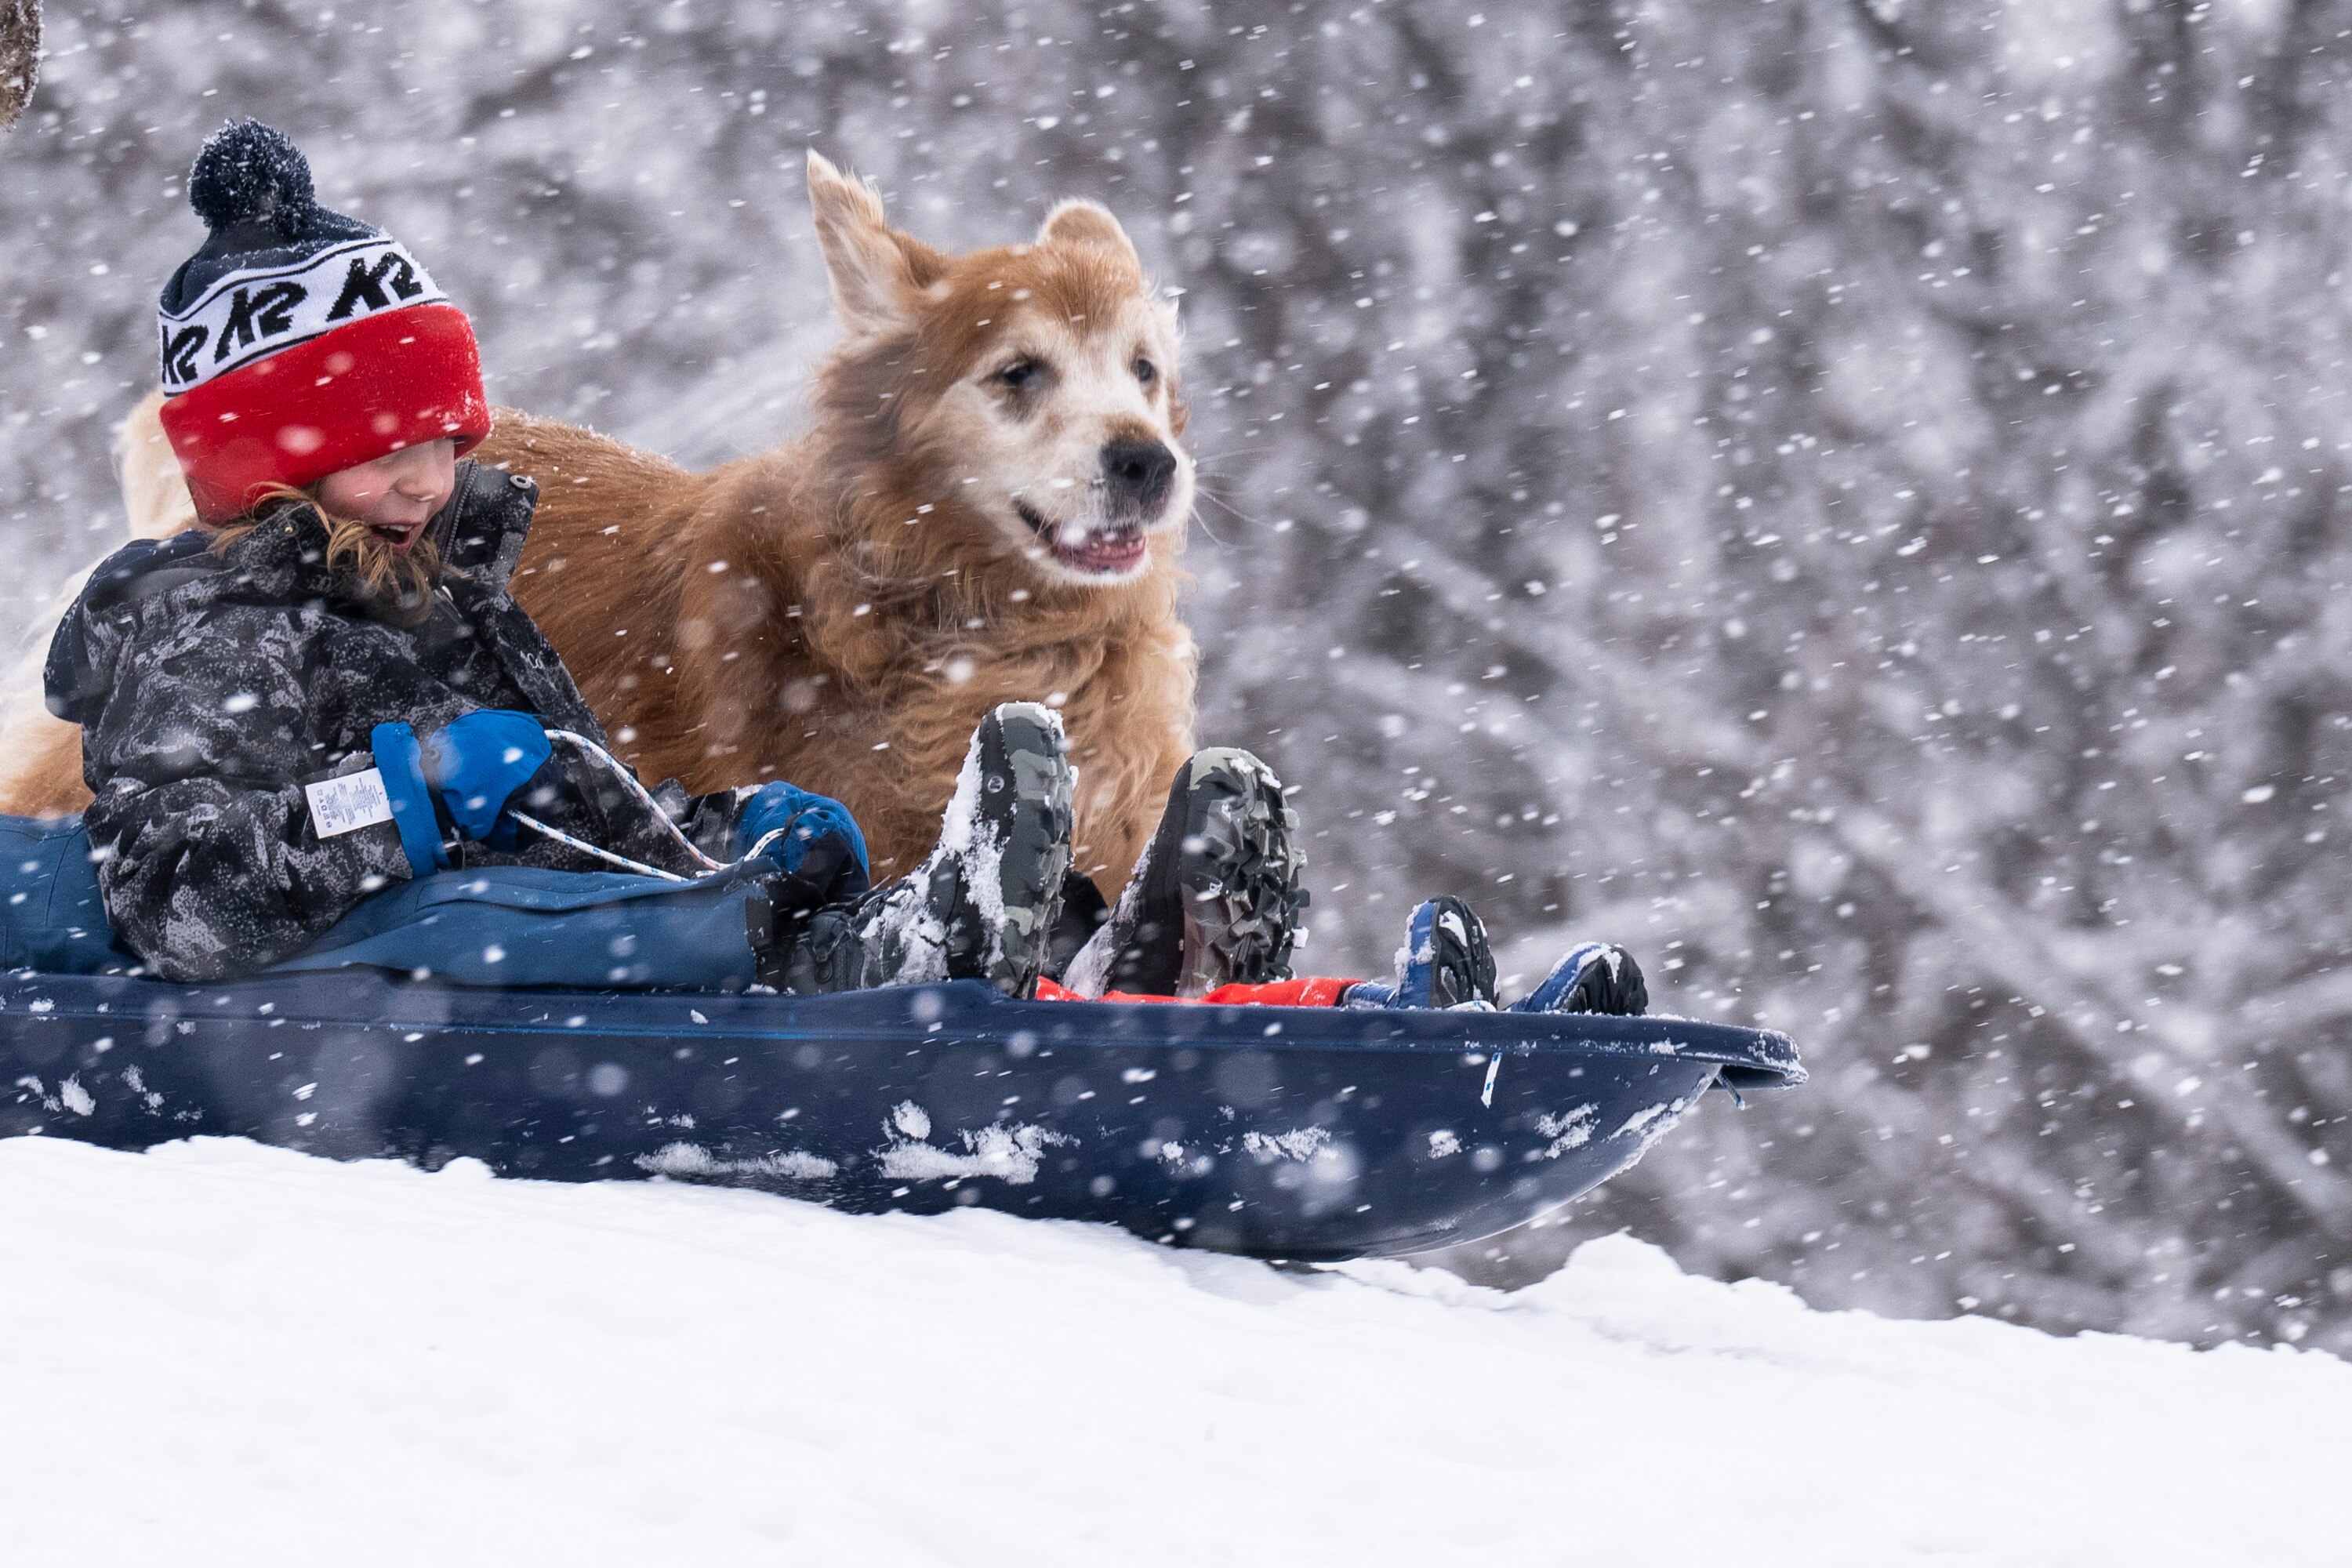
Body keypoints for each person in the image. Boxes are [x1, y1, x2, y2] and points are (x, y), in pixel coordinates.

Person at [46, 119, 1646, 1017]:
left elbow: (587, 781)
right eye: (382, 444)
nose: (433, 470)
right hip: (411, 911)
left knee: (752, 847)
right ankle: (920, 949)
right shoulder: (207, 619)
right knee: (654, 914)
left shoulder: (460, 564)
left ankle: (1248, 981)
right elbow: (184, 868)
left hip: (548, 862)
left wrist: (658, 819)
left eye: (446, 436)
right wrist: (399, 800)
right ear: (267, 471)